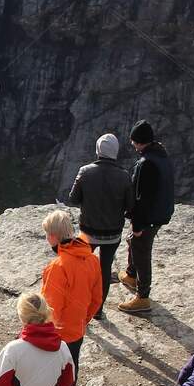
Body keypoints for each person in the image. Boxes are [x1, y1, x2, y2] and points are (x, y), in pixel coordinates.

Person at [39, 209, 103, 386]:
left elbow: (49, 309)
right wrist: (82, 321)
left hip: (57, 337)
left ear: (53, 236)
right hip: (76, 333)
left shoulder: (58, 267)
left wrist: (43, 336)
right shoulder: (91, 259)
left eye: (46, 235)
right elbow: (97, 298)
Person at [67, 132, 133, 308]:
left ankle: (80, 307)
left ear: (98, 151)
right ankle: (97, 309)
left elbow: (73, 199)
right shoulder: (124, 176)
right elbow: (130, 205)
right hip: (112, 234)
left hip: (88, 231)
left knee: (82, 268)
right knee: (104, 269)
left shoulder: (85, 171)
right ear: (115, 152)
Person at [119, 120, 175, 314]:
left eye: (134, 141)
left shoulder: (147, 163)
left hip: (150, 216)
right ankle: (131, 275)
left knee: (141, 250)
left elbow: (143, 199)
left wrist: (137, 223)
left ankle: (142, 297)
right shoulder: (160, 155)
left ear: (139, 141)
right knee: (133, 242)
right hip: (161, 211)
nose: (133, 145)